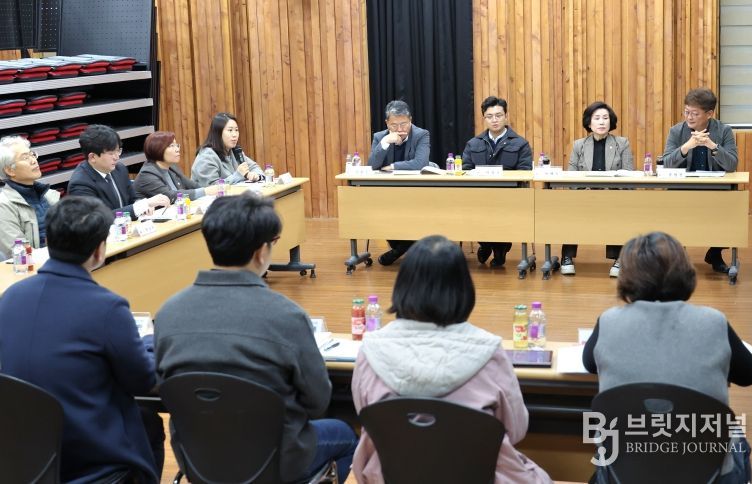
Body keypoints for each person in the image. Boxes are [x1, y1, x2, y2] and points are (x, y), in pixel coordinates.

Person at [154, 193, 357, 483]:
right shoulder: (286, 316)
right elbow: (317, 400)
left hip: (198, 459)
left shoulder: (167, 314)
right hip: (277, 461)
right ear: (262, 251)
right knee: (346, 433)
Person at [352, 235, 552, 484]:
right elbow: (516, 429)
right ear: (463, 288)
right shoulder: (489, 352)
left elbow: (366, 417)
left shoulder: (370, 350)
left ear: (402, 286)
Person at [0, 196, 164, 483]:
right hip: (88, 452)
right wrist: (150, 342)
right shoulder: (106, 307)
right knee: (149, 421)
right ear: (99, 250)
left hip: (24, 449)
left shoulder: (10, 297)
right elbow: (142, 379)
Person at [582, 231, 752, 483]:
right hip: (707, 474)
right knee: (736, 437)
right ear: (685, 273)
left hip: (626, 473)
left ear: (627, 276)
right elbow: (751, 374)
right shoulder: (713, 322)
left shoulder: (609, 322)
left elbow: (588, 363)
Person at [663, 88, 739, 273]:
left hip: (716, 188)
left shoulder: (724, 131)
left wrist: (712, 146)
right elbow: (666, 163)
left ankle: (715, 252)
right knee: (673, 205)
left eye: (695, 113)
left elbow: (732, 164)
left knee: (732, 204)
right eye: (686, 112)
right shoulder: (676, 131)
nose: (689, 117)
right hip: (683, 188)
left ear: (709, 113)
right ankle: (678, 255)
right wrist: (686, 147)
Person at [560, 101, 634, 277]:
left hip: (613, 197)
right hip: (585, 197)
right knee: (571, 210)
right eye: (597, 118)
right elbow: (571, 176)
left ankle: (619, 259)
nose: (602, 122)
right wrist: (583, 193)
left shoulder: (622, 143)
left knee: (620, 211)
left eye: (605, 118)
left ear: (611, 121)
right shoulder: (579, 145)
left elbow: (629, 175)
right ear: (589, 122)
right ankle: (567, 257)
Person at [462, 96, 533, 267]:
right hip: (479, 197)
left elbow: (525, 173)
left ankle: (500, 248)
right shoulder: (473, 144)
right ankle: (487, 244)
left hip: (509, 197)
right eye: (490, 116)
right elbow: (465, 170)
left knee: (500, 210)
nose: (494, 120)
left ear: (506, 116)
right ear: (484, 118)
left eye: (498, 115)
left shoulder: (521, 144)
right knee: (469, 208)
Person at [368, 100, 431, 265]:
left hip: (416, 192)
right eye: (394, 125)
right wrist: (385, 142)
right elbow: (372, 165)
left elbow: (421, 163)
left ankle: (401, 248)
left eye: (404, 124)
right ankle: (403, 246)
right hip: (389, 193)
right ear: (387, 123)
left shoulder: (421, 134)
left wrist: (393, 166)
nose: (400, 129)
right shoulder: (380, 137)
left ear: (410, 120)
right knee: (381, 211)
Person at [68, 124, 170, 219]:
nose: (117, 157)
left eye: (118, 151)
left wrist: (144, 206)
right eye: (111, 153)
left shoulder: (119, 169)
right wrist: (142, 205)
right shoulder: (80, 184)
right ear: (92, 157)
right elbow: (98, 219)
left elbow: (133, 198)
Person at [0, 136, 59, 259]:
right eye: (25, 158)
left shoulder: (49, 195)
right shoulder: (4, 205)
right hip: (36, 266)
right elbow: (20, 252)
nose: (34, 161)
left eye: (32, 154)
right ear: (10, 170)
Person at [134, 131, 220, 203]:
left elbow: (192, 185)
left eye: (177, 145)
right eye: (171, 146)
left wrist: (211, 190)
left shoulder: (172, 167)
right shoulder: (147, 174)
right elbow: (171, 196)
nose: (177, 149)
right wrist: (205, 191)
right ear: (157, 149)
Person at [191, 112, 264, 186]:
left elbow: (254, 167)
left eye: (236, 130)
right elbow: (212, 187)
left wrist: (256, 176)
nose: (234, 135)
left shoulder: (235, 151)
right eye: (230, 130)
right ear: (218, 133)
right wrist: (238, 175)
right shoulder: (206, 157)